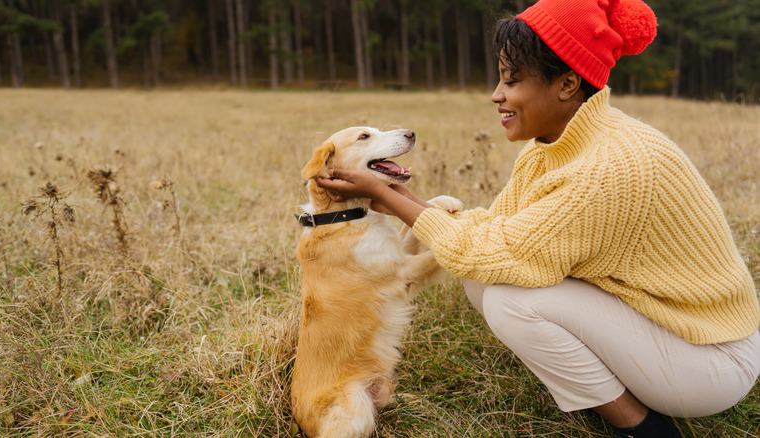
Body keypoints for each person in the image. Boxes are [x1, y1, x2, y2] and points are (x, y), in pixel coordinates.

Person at [315, 0, 760, 436]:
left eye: (512, 80)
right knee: (481, 279)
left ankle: (641, 425)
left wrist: (389, 200)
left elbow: (499, 252)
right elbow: (494, 233)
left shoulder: (609, 166)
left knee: (513, 301)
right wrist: (405, 197)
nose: (496, 94)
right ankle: (600, 380)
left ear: (567, 84)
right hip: (661, 322)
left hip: (711, 358)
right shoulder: (555, 145)